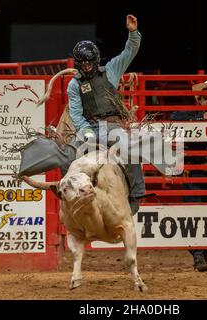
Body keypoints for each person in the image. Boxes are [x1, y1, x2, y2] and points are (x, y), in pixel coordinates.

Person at [67, 14, 145, 214]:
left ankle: (137, 193)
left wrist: (133, 32)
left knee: (132, 152)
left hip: (113, 126)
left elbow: (130, 51)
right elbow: (76, 114)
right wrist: (87, 133)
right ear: (77, 63)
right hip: (90, 128)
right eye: (82, 63)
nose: (86, 66)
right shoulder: (74, 84)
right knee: (67, 156)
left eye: (89, 62)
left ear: (96, 60)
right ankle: (66, 196)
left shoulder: (110, 71)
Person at [170, 80, 207, 272]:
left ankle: (204, 253)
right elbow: (174, 118)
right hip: (194, 169)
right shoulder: (189, 116)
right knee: (193, 210)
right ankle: (198, 254)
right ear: (200, 100)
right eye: (205, 98)